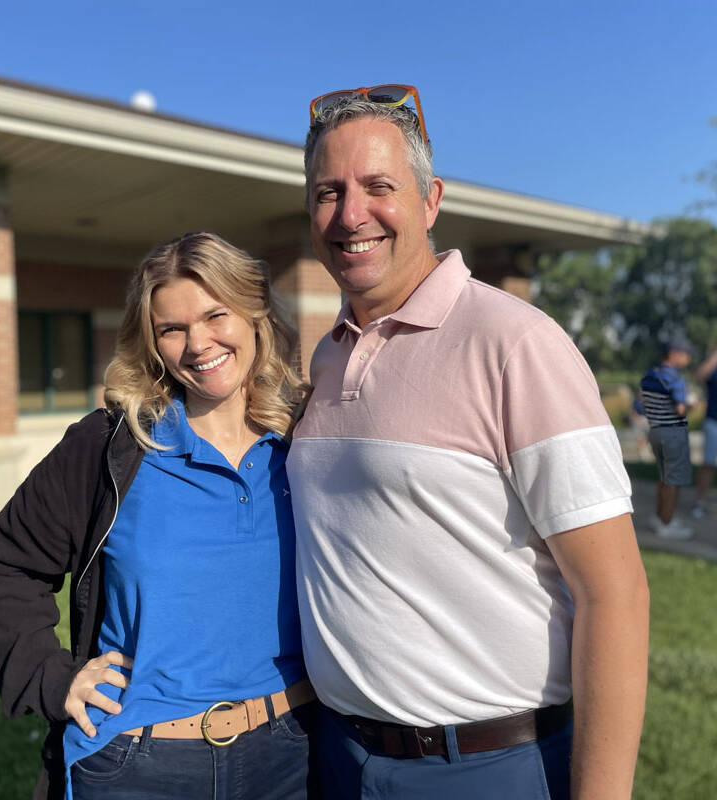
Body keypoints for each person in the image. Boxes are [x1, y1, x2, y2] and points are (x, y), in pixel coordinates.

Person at [287, 86, 649, 799]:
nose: (351, 214)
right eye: (329, 192)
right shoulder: (326, 359)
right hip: (336, 757)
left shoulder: (515, 343)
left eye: (378, 187)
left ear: (430, 200)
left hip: (488, 767)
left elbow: (616, 594)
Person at [0, 232, 314, 800]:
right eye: (172, 329)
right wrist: (50, 677)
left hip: (294, 754)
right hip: (140, 763)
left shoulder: (307, 438)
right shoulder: (111, 445)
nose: (198, 344)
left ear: (256, 315)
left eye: (215, 315)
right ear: (152, 344)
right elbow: (1, 565)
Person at [640, 339, 694, 538]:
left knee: (663, 477)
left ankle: (660, 516)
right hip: (672, 432)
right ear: (673, 354)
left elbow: (640, 405)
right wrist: (692, 405)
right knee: (673, 480)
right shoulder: (675, 378)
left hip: (655, 430)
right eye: (685, 354)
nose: (688, 358)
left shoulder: (650, 375)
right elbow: (680, 409)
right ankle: (666, 523)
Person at [691, 346, 717, 519]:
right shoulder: (713, 365)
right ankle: (700, 503)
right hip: (713, 421)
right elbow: (699, 376)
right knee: (708, 464)